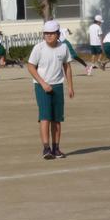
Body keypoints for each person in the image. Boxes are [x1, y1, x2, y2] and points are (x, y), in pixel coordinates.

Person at [26, 20, 75, 160]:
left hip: (58, 86)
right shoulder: (38, 48)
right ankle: (46, 148)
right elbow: (30, 66)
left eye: (51, 33)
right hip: (42, 87)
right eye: (46, 33)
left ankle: (56, 148)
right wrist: (42, 83)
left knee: (57, 119)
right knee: (45, 117)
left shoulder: (63, 47)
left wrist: (70, 86)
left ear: (58, 34)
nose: (48, 36)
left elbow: (67, 67)